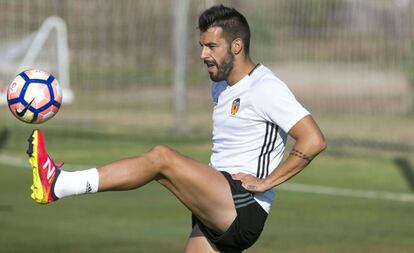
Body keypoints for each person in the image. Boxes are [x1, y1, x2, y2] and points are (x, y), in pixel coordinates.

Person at [27, 5, 326, 253]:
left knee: (161, 158)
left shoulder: (265, 87)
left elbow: (313, 139)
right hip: (214, 202)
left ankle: (59, 184)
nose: (203, 55)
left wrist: (266, 183)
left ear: (237, 46)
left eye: (212, 46)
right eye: (201, 46)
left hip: (241, 204)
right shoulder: (221, 86)